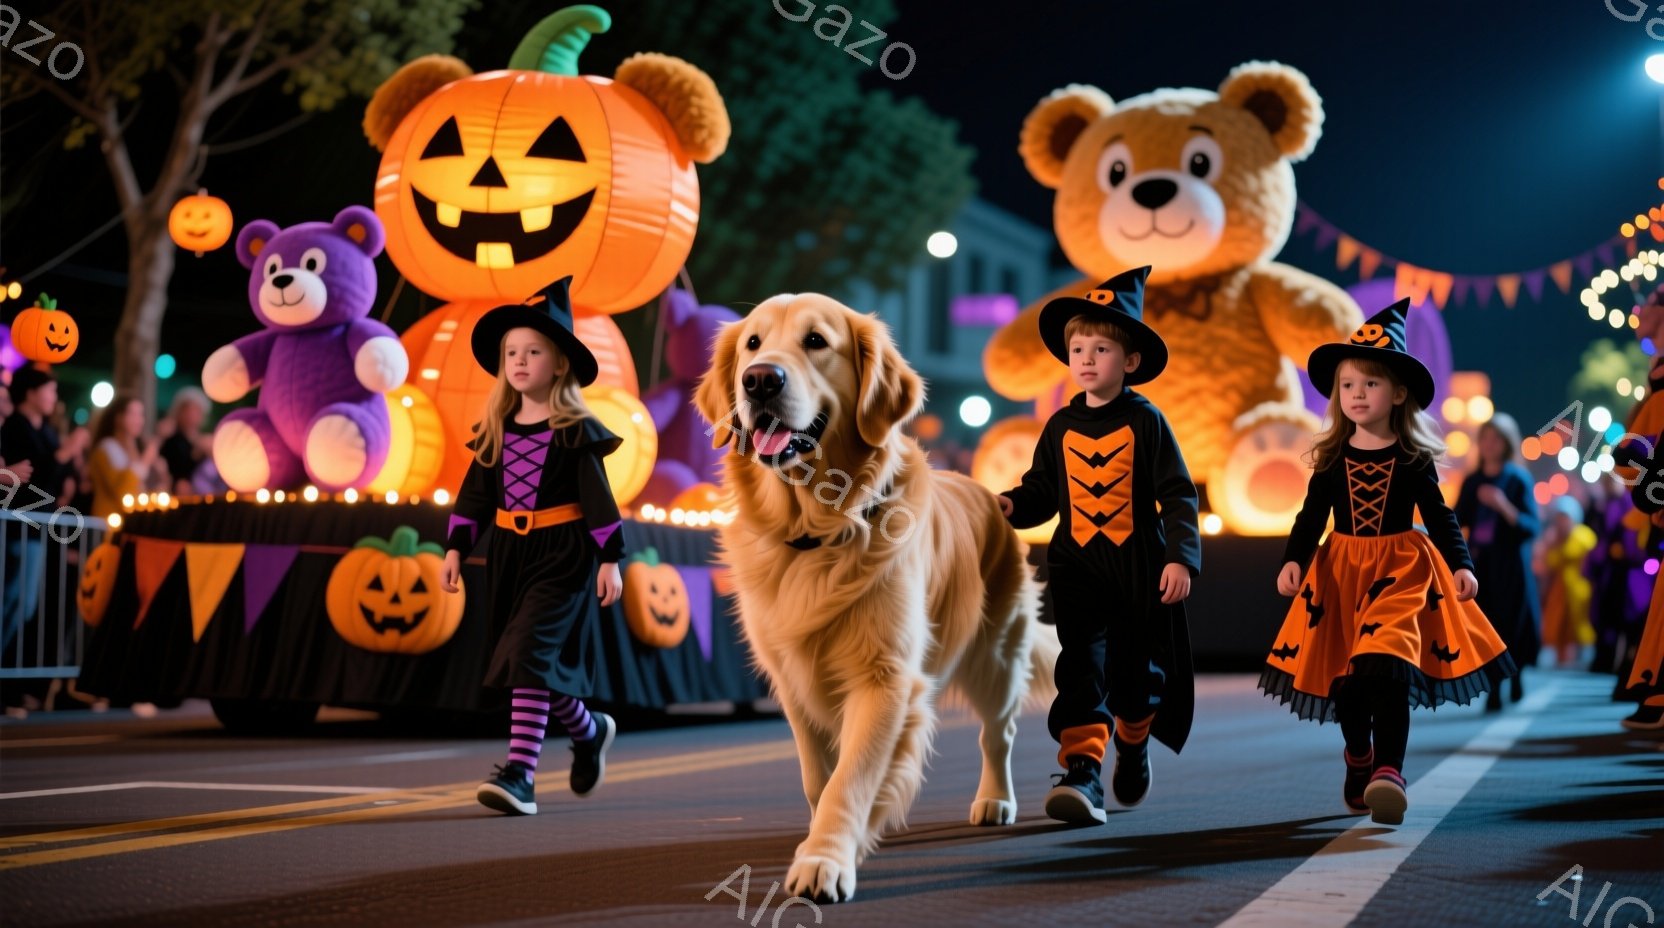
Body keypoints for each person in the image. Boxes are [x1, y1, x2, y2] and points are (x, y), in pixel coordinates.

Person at [1258, 299, 1514, 826]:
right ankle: (1359, 757)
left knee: (1390, 670)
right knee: (1350, 686)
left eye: (1370, 384)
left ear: (1397, 393)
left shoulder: (1413, 459)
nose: (1356, 394)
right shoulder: (1331, 458)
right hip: (1340, 575)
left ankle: (1390, 772)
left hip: (1402, 572)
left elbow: (1440, 518)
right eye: (1348, 385)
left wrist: (1461, 564)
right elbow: (1311, 518)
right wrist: (1294, 560)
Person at [998, 265, 1200, 826]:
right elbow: (1043, 489)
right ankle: (1083, 771)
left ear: (1130, 362)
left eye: (1102, 348)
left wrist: (1182, 557)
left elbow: (1178, 495)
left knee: (1136, 676)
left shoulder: (1148, 420)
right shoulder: (1059, 424)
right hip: (1077, 565)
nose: (1086, 358)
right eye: (1078, 348)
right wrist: (1012, 505)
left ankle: (1133, 744)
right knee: (1082, 665)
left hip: (1140, 566)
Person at [441, 278, 625, 816]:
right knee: (527, 663)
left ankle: (520, 774)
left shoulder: (574, 430)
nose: (520, 361)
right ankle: (588, 732)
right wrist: (456, 547)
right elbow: (474, 494)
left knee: (527, 656)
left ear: (560, 363)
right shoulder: (496, 428)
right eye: (511, 353)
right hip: (509, 556)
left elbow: (598, 499)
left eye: (533, 351)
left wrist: (611, 558)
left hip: (564, 555)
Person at [1454, 412, 1540, 710]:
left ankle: (1515, 677)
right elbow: (1455, 520)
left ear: (1507, 443)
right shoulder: (1473, 481)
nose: (1490, 445)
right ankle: (1493, 687)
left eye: (1496, 439)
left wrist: (1503, 505)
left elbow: (1531, 526)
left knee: (1512, 623)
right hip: (1480, 564)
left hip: (1511, 565)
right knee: (1485, 625)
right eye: (1485, 439)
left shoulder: (1518, 479)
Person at [1, 367, 88, 652]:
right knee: (12, 599)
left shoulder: (48, 433)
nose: (54, 397)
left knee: (25, 606)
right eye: (49, 390)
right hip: (18, 525)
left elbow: (55, 481)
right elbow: (31, 480)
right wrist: (63, 454)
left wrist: (66, 467)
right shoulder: (15, 428)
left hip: (39, 528)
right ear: (31, 392)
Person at [1538, 496, 1596, 668]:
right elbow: (1548, 563)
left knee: (1580, 623)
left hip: (1580, 588)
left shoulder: (1584, 536)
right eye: (1559, 518)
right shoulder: (1553, 539)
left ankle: (1583, 655)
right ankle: (1559, 656)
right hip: (1559, 589)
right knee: (1557, 623)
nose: (1562, 522)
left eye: (1565, 518)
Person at [87, 394, 165, 518]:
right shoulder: (106, 449)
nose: (138, 420)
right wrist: (144, 462)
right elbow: (122, 493)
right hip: (108, 524)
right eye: (133, 414)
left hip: (134, 523)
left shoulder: (139, 449)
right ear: (118, 417)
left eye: (141, 414)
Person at [159, 387, 213, 496]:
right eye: (187, 410)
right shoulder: (171, 441)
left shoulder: (207, 442)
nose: (191, 415)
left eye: (195, 410)